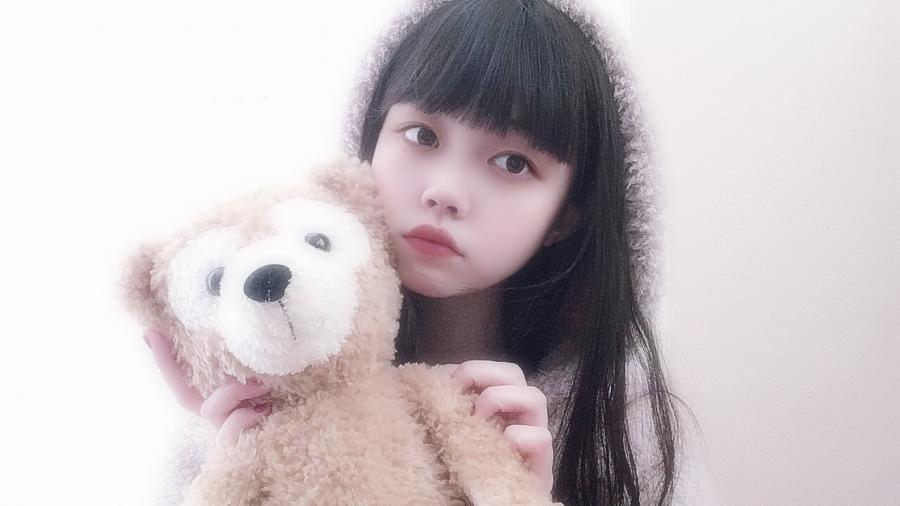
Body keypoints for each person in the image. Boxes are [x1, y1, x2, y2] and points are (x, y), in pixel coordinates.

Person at [142, 0, 715, 504]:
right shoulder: (269, 376)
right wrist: (228, 457)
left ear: (567, 215)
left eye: (513, 162)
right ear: (370, 139)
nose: (445, 191)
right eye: (422, 135)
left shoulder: (623, 415)